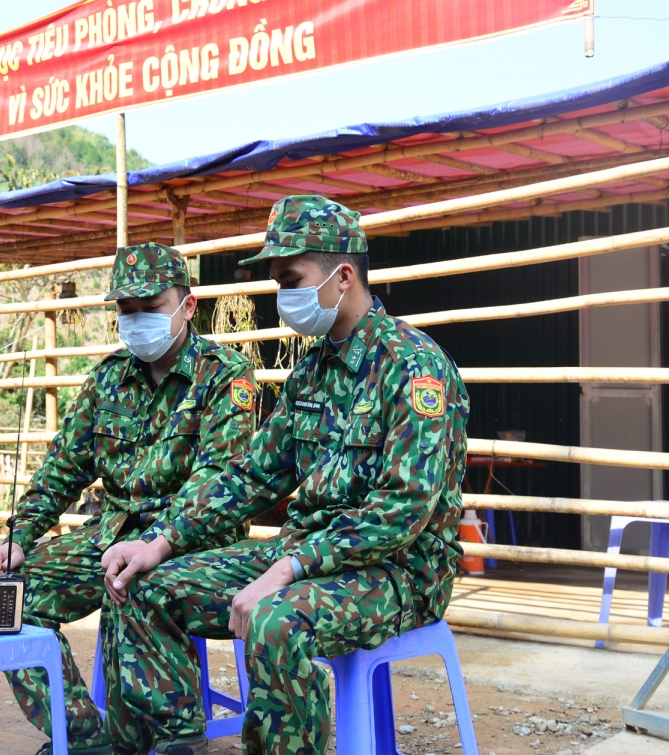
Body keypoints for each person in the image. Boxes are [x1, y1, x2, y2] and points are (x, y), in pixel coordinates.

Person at [99, 196, 470, 755]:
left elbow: (402, 512)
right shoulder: (311, 374)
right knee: (146, 587)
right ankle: (174, 745)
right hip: (302, 554)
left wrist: (288, 570)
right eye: (278, 283)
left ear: (344, 276)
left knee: (276, 620)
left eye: (290, 279)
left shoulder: (415, 367)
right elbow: (251, 475)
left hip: (400, 572)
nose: (283, 297)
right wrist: (162, 539)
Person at [0, 242, 258, 755]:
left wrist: (156, 541)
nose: (138, 321)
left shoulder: (224, 375)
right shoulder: (107, 379)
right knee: (8, 598)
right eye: (127, 311)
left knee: (135, 579)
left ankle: (175, 737)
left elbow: (220, 479)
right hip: (111, 532)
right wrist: (19, 538)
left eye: (151, 308)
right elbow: (64, 468)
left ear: (187, 305)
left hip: (193, 540)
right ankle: (83, 737)